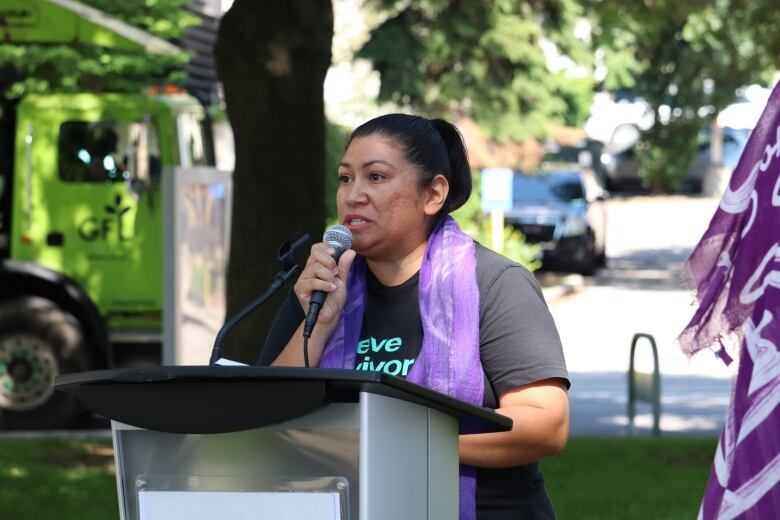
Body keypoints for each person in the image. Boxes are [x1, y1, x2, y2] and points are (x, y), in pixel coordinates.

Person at [260, 114, 570, 519]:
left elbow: (545, 424)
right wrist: (318, 324)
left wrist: (406, 449)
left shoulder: (494, 284)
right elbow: (266, 418)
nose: (353, 195)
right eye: (345, 178)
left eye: (375, 177)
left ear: (433, 194)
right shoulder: (321, 289)